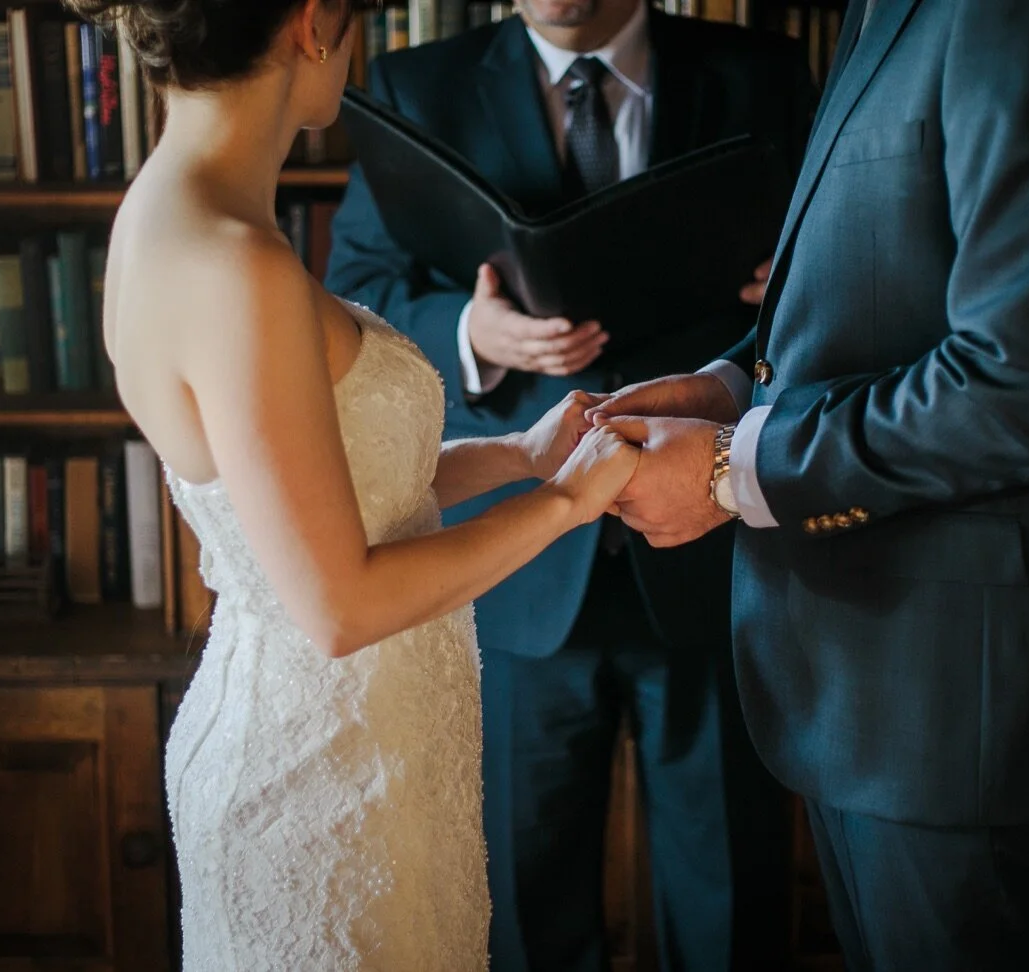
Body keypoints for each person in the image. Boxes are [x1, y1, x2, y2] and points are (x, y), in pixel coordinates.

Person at [590, 0, 1029, 968]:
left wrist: (730, 471)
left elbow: (1026, 388)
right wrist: (727, 387)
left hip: (975, 716)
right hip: (895, 699)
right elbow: (894, 281)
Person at [68, 0, 639, 967]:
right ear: (313, 23)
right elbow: (339, 602)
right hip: (318, 789)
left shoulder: (185, 213)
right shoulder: (232, 263)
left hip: (370, 752)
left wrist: (521, 456)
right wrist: (568, 505)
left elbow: (340, 493)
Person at [326, 1, 814, 969]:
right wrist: (473, 337)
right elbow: (358, 291)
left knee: (732, 922)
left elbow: (846, 273)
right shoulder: (417, 88)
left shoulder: (763, 75)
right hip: (516, 574)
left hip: (712, 558)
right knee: (526, 922)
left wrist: (796, 278)